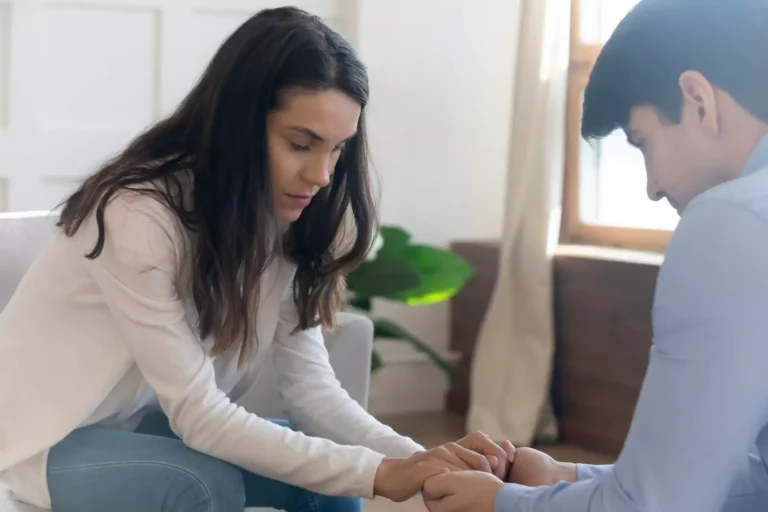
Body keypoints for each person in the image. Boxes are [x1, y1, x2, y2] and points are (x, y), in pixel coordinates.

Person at [0, 7, 515, 512]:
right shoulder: (137, 215)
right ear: (238, 124)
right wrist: (382, 474)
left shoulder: (280, 221)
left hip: (131, 427)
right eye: (301, 144)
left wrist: (423, 460)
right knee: (201, 482)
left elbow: (312, 391)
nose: (322, 175)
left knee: (329, 478)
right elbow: (199, 416)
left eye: (337, 150)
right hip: (40, 442)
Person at [420, 0, 768, 511]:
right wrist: (569, 477)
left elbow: (654, 507)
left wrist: (500, 505)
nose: (650, 186)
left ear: (697, 100)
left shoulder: (733, 221)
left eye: (642, 141)